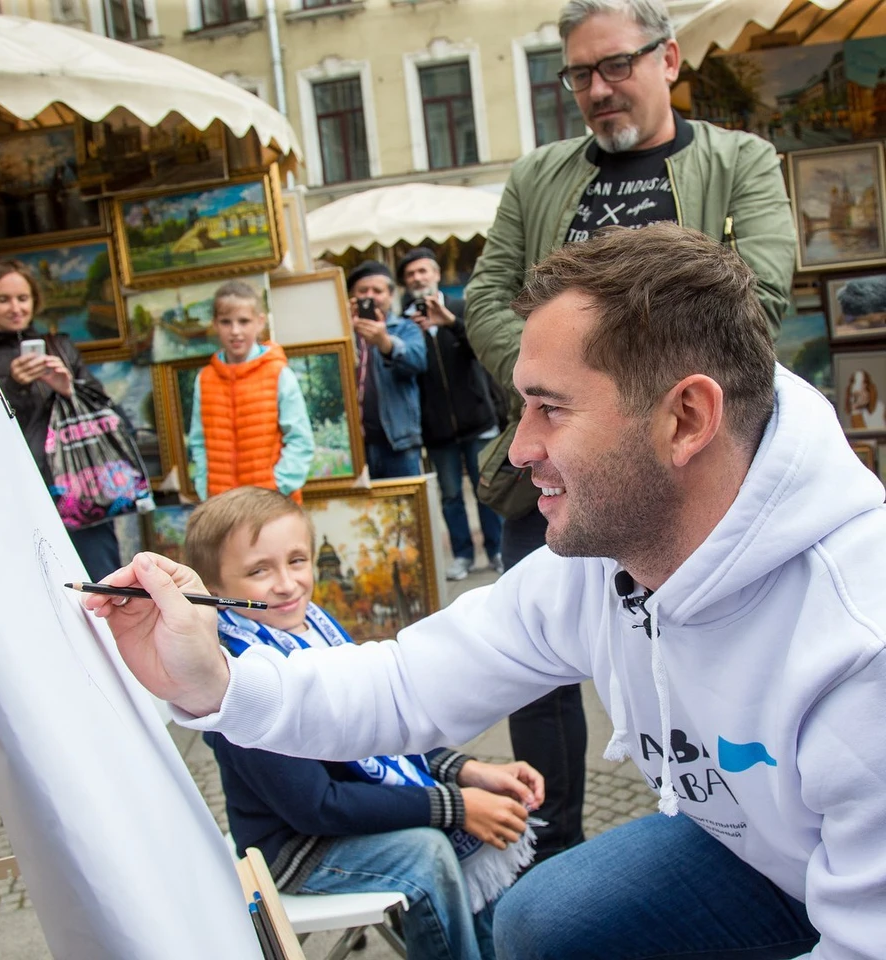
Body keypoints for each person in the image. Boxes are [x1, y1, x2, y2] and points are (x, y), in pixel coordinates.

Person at [86, 225, 886, 959]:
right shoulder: (604, 562)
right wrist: (215, 680)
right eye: (518, 406)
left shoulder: (859, 644)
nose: (517, 449)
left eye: (550, 409)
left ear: (686, 418)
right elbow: (406, 683)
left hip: (842, 892)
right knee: (539, 920)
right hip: (759, 850)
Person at [464, 0, 797, 862]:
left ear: (669, 59)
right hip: (549, 463)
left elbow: (760, 301)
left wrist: (621, 394)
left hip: (692, 467)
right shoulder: (540, 176)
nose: (598, 89)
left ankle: (727, 831)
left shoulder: (739, 160)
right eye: (579, 74)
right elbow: (485, 296)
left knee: (708, 648)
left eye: (616, 66)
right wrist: (553, 390)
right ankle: (554, 844)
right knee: (536, 666)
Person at [183, 486, 544, 960]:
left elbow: (376, 727)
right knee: (428, 851)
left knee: (481, 809)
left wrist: (466, 771)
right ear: (214, 593)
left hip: (334, 814)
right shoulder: (237, 679)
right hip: (294, 848)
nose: (287, 584)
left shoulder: (314, 627)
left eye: (296, 560)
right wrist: (454, 806)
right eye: (258, 571)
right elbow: (317, 807)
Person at [0, 258, 121, 581]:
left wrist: (67, 388)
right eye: (3, 299)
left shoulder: (60, 346)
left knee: (104, 578)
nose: (15, 308)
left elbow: (102, 405)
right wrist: (15, 388)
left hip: (80, 480)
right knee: (41, 581)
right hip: (20, 485)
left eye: (23, 298)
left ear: (34, 300)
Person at [397, 247, 504, 581]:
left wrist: (451, 322)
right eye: (411, 275)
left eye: (423, 271)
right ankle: (462, 555)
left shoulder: (460, 309)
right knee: (452, 496)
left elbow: (483, 348)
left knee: (486, 489)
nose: (417, 278)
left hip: (477, 418)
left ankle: (497, 549)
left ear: (436, 274)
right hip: (437, 429)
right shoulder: (403, 324)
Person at [187, 279, 313, 501]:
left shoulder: (279, 374)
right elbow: (199, 441)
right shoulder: (205, 379)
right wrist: (205, 488)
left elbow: (300, 440)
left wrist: (275, 487)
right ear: (215, 324)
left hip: (272, 504)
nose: (235, 331)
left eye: (244, 321)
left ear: (259, 322)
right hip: (222, 505)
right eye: (226, 322)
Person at [347, 260, 427, 479]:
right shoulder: (342, 335)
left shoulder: (405, 328)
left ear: (390, 296)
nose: (370, 296)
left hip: (398, 443)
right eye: (363, 290)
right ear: (352, 297)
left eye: (378, 290)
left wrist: (385, 342)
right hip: (354, 447)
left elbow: (417, 362)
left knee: (409, 510)